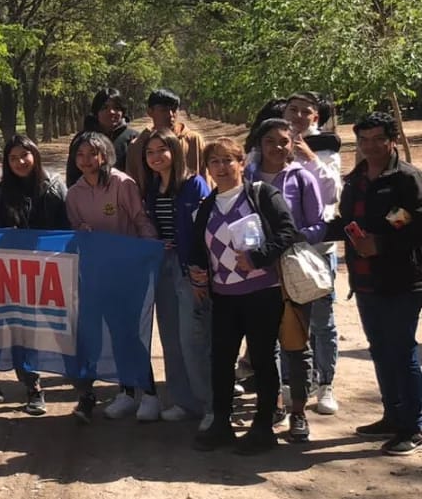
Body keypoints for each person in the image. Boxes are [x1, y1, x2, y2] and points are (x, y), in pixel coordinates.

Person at [189, 138, 301, 455]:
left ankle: (263, 426)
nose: (221, 168)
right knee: (221, 361)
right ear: (207, 168)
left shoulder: (261, 195)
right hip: (224, 296)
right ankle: (221, 424)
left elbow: (287, 231)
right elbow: (199, 248)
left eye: (228, 160)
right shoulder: (207, 206)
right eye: (214, 162)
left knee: (263, 360)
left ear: (241, 163)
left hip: (262, 293)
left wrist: (258, 258)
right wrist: (197, 272)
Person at [330, 112, 422, 455]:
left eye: (377, 139)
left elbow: (414, 225)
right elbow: (350, 222)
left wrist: (380, 244)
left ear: (392, 140)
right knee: (380, 350)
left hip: (401, 282)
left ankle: (412, 426)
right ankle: (392, 415)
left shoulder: (406, 179)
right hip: (365, 282)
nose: (370, 146)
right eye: (364, 140)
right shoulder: (356, 179)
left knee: (402, 351)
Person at [244, 118, 327, 443]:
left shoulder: (302, 178)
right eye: (270, 142)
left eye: (284, 141)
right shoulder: (246, 177)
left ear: (292, 143)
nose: (277, 148)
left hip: (291, 275)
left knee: (296, 346)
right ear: (259, 145)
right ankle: (272, 404)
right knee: (264, 346)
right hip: (257, 275)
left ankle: (298, 412)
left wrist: (284, 240)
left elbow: (318, 224)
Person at [67, 131, 159, 421]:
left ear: (104, 155)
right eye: (80, 155)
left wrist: (150, 254)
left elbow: (141, 221)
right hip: (97, 276)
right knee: (114, 335)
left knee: (132, 333)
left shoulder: (122, 183)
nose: (86, 161)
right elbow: (74, 233)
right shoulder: (75, 193)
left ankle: (150, 394)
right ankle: (127, 392)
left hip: (130, 273)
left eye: (92, 154)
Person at [0, 134, 69, 416]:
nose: (20, 162)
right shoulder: (1, 191)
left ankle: (82, 385)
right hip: (17, 273)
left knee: (63, 330)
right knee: (24, 331)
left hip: (55, 272)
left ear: (35, 154)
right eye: (13, 158)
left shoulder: (56, 185)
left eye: (25, 155)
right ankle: (33, 386)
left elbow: (70, 228)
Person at [142, 129, 213, 426]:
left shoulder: (194, 185)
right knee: (170, 340)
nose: (156, 157)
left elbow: (207, 228)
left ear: (175, 150)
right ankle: (183, 401)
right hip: (163, 266)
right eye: (150, 153)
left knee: (193, 339)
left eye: (162, 150)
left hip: (191, 269)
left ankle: (210, 405)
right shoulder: (152, 186)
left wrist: (200, 271)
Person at [284, 91, 342, 414]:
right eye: (292, 110)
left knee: (322, 321)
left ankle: (325, 384)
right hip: (284, 249)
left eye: (305, 111)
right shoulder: (273, 141)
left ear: (315, 117)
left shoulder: (327, 147)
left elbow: (332, 192)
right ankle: (291, 387)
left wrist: (309, 157)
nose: (297, 116)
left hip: (318, 248)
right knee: (287, 321)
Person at [126, 88, 206, 193]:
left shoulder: (192, 140)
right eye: (163, 110)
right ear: (150, 112)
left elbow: (206, 176)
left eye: (174, 109)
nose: (170, 115)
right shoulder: (137, 145)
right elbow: (131, 185)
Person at [66, 89, 139, 188]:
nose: (111, 112)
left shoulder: (133, 138)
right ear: (96, 111)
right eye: (105, 107)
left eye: (116, 108)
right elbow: (72, 177)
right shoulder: (82, 139)